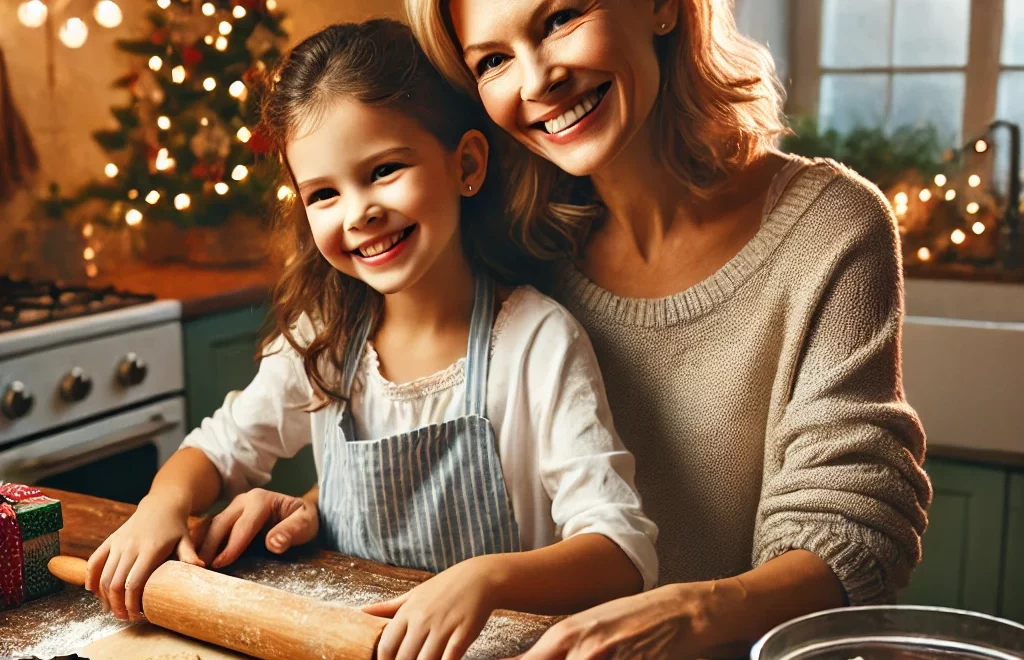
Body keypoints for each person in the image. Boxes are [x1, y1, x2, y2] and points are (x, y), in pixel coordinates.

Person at [84, 19, 659, 660]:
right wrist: (161, 506)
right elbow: (217, 452)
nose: (358, 212)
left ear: (465, 163)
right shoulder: (325, 339)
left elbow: (621, 550)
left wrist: (485, 580)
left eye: (384, 170)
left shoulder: (535, 344)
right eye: (324, 193)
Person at [404, 0, 933, 656]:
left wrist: (695, 612)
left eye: (560, 18)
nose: (537, 81)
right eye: (493, 60)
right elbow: (437, 419)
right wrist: (317, 501)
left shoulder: (833, 229)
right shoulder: (516, 250)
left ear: (659, 7)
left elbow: (853, 519)